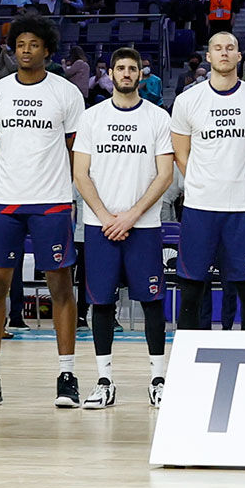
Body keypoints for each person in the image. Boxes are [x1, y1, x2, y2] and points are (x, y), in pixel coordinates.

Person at [0, 15, 83, 410]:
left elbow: (74, 149)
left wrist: (59, 187)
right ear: (13, 49)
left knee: (60, 288)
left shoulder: (67, 93)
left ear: (47, 51)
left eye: (34, 44)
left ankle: (67, 375)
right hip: (5, 201)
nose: (26, 50)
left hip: (52, 201)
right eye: (20, 45)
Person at [70, 48, 174, 408]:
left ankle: (158, 379)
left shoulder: (158, 118)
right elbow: (80, 174)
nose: (126, 74)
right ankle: (104, 380)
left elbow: (165, 175)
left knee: (152, 302)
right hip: (99, 226)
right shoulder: (91, 117)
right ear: (110, 73)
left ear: (141, 75)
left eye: (133, 68)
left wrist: (130, 215)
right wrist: (105, 215)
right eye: (121, 68)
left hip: (142, 226)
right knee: (101, 303)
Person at [169, 31, 245, 334]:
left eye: (230, 48)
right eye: (218, 48)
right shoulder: (188, 99)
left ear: (239, 55)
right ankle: (189, 362)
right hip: (200, 206)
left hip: (243, 208)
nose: (224, 53)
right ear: (208, 56)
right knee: (191, 290)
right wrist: (204, 182)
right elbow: (181, 152)